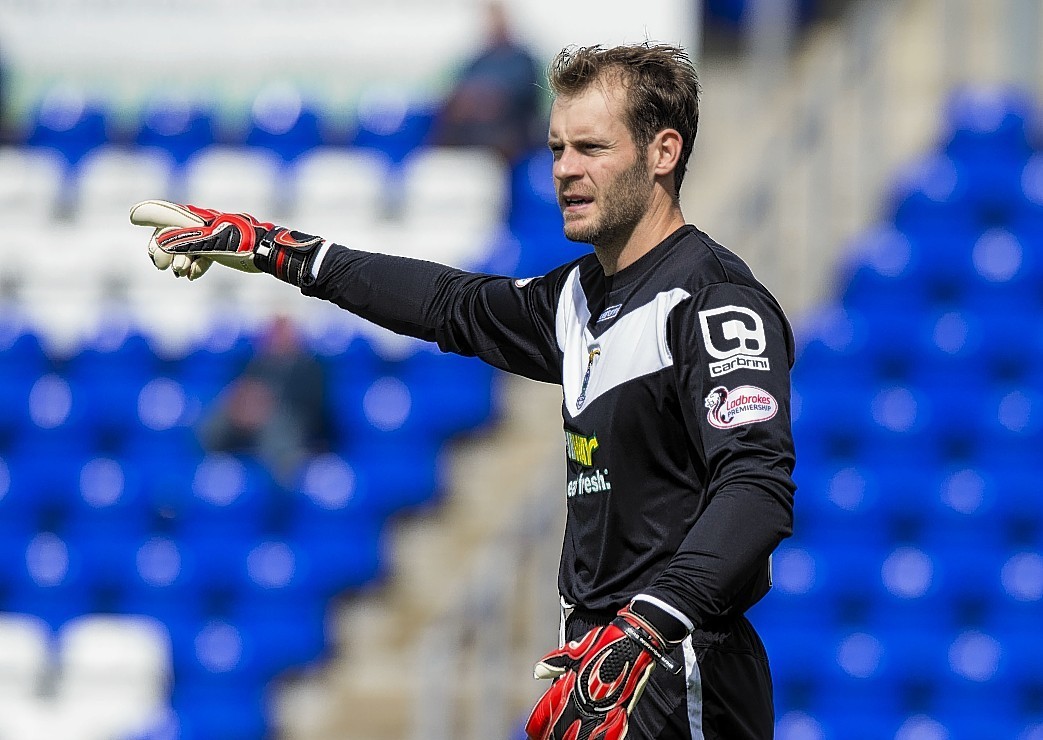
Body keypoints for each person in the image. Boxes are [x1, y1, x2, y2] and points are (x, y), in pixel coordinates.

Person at [130, 42, 795, 740]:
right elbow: (446, 302)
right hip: (601, 665)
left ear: (663, 152)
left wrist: (649, 623)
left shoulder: (712, 298)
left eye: (591, 148)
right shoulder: (577, 298)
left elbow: (756, 485)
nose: (565, 169)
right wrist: (281, 251)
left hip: (679, 665)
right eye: (557, 148)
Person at [197, 314, 332, 486]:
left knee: (275, 427)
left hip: (288, 418)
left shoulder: (309, 368)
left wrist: (267, 405)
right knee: (221, 410)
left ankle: (278, 484)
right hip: (250, 413)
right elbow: (246, 387)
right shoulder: (257, 363)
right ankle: (205, 466)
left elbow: (310, 404)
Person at [427, 1, 544, 163]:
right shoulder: (478, 60)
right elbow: (457, 92)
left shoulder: (522, 60)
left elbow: (521, 96)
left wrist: (484, 100)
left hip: (509, 132)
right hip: (470, 130)